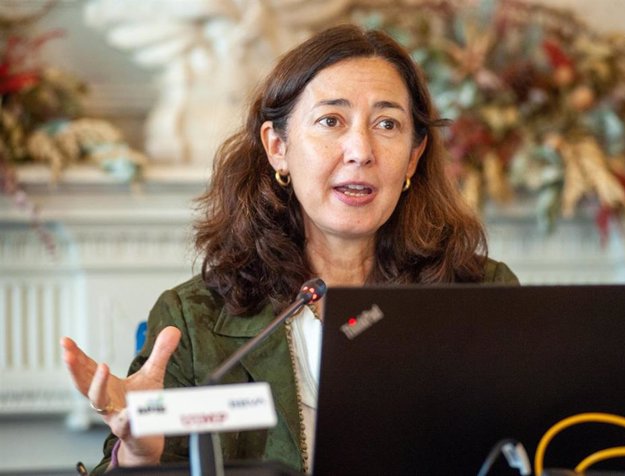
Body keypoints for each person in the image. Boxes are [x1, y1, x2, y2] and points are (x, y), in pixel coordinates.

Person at [61, 23, 518, 475]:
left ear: (413, 157)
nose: (360, 150)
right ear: (278, 147)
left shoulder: (482, 294)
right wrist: (141, 455)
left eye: (387, 123)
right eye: (330, 121)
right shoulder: (194, 320)